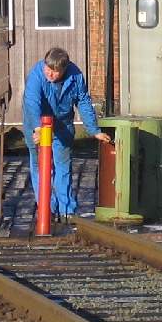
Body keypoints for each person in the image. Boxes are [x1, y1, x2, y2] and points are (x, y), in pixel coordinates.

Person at [23, 47, 111, 222]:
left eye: (54, 72)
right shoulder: (36, 74)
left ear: (64, 69)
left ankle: (66, 210)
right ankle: (46, 208)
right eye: (48, 69)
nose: (50, 74)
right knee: (41, 166)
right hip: (40, 125)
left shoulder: (75, 76)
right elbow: (31, 102)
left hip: (63, 125)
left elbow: (83, 101)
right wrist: (37, 128)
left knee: (63, 166)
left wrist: (94, 131)